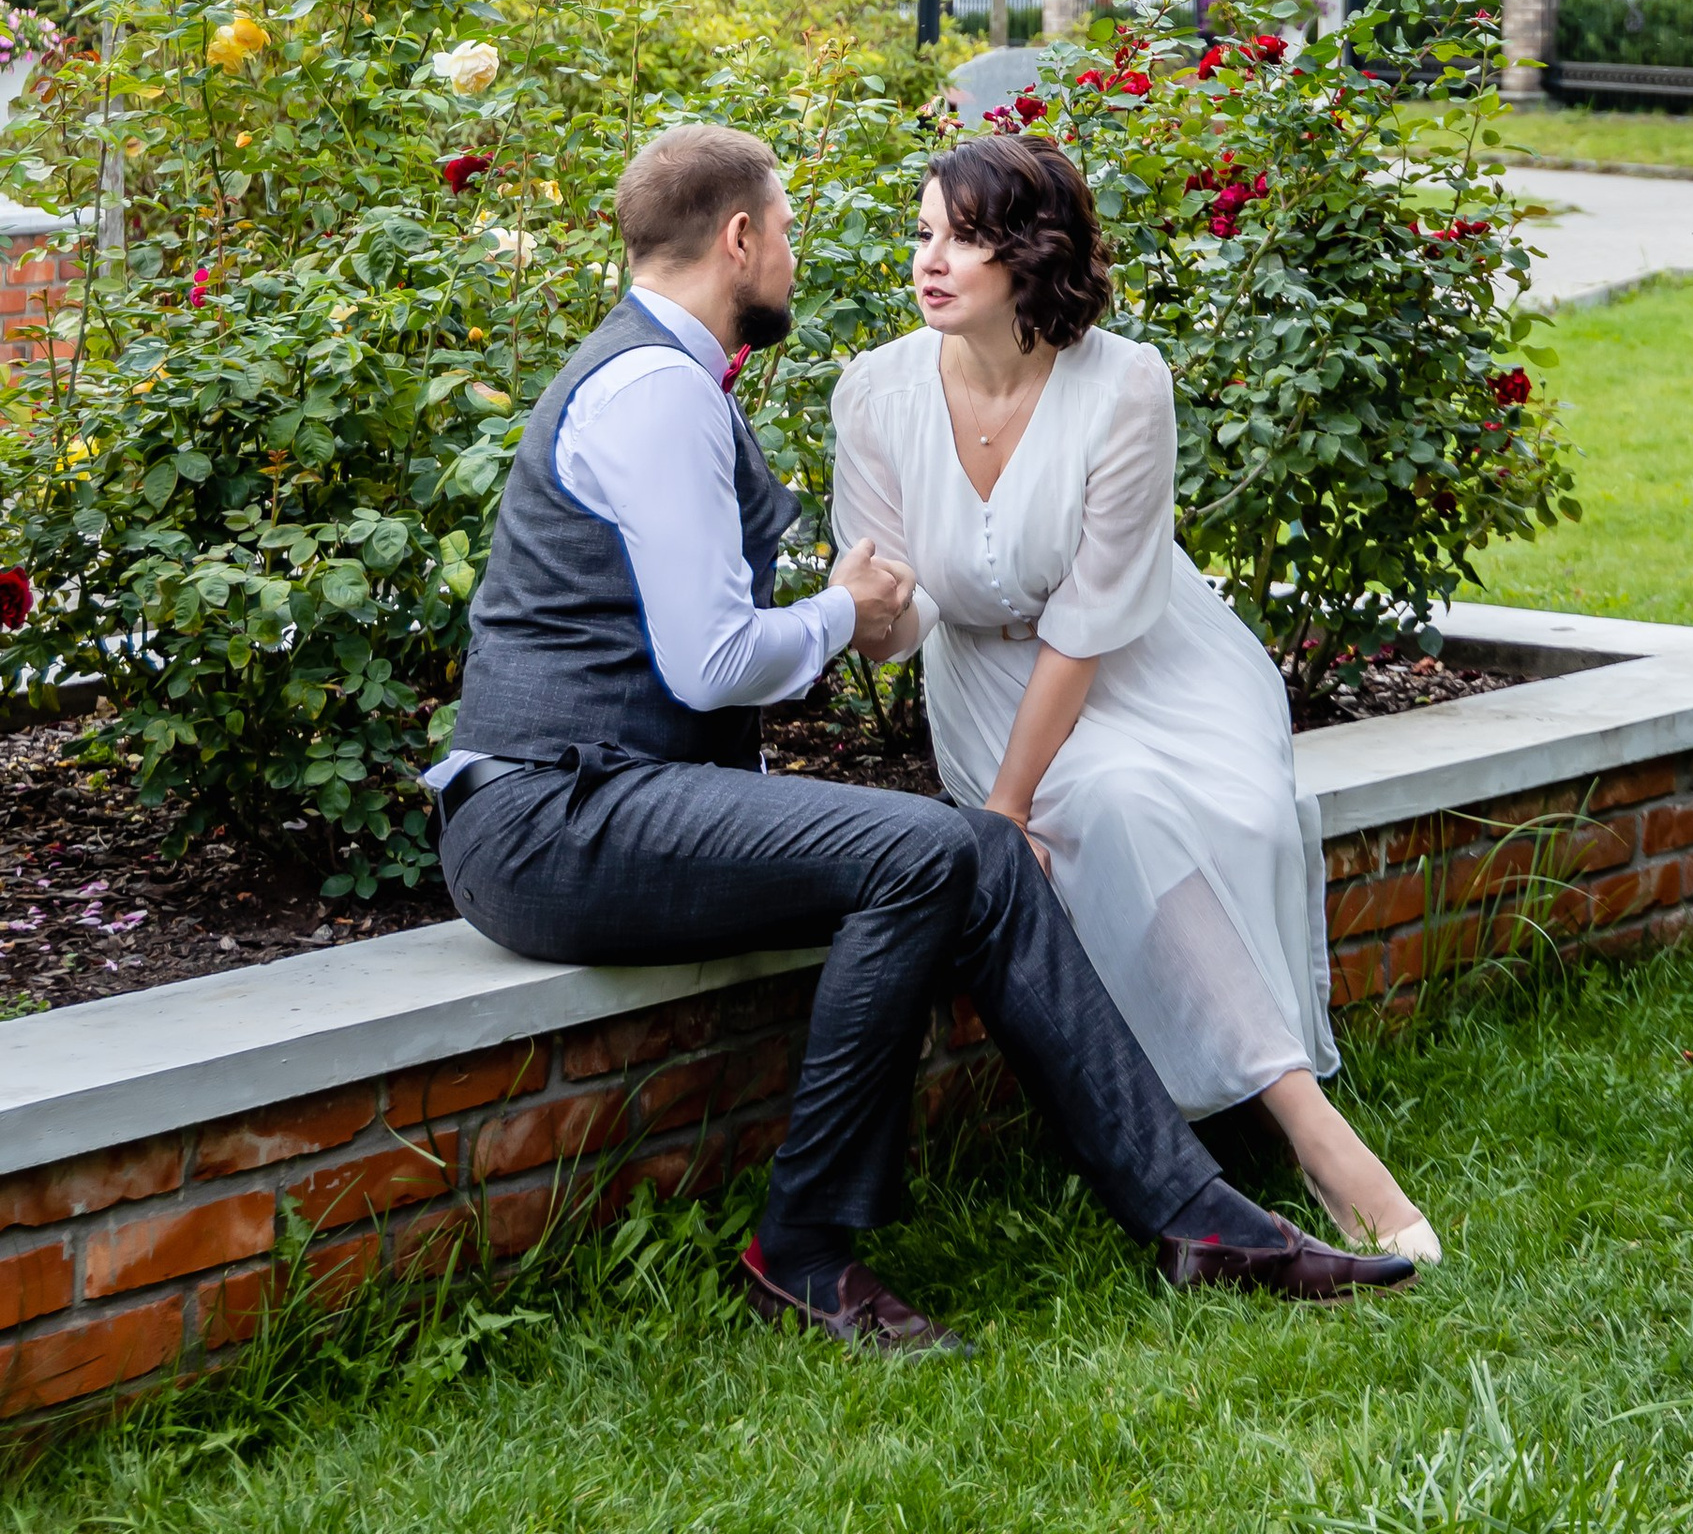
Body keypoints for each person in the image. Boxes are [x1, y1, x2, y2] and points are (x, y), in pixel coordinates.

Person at [429, 122, 1413, 1353]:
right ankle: (801, 1250)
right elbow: (712, 662)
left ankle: (1198, 1220)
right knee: (934, 850)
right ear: (739, 240)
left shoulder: (665, 380)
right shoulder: (654, 393)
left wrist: (860, 610)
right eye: (783, 230)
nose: (796, 252)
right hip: (548, 816)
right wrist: (850, 609)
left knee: (980, 855)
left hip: (608, 800)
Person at [830, 130, 1439, 1263]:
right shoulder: (873, 392)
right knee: (1116, 803)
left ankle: (1231, 1091)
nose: (930, 260)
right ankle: (1311, 1133)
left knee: (1237, 817)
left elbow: (1092, 620)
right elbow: (903, 626)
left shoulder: (1126, 386)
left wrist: (1006, 812)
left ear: (1032, 254)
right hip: (990, 686)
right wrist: (861, 609)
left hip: (1148, 660)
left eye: (965, 238)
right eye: (923, 234)